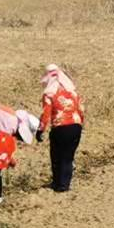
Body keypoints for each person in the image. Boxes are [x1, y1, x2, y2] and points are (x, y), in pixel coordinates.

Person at [40, 64, 84, 193]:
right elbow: (81, 110)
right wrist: (81, 124)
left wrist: (40, 130)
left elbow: (46, 115)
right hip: (76, 126)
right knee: (68, 157)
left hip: (60, 127)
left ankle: (58, 183)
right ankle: (65, 184)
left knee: (56, 155)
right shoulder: (72, 92)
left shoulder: (49, 94)